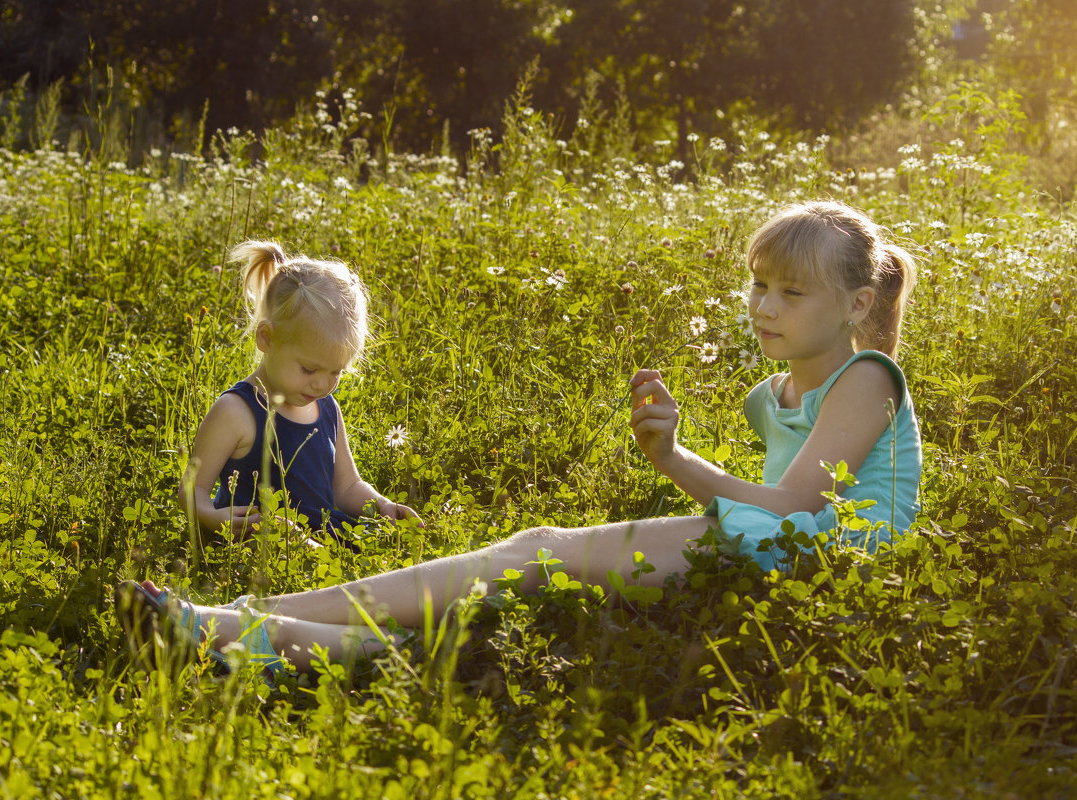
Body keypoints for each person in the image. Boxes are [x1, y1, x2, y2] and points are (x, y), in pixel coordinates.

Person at [117, 201, 921, 675]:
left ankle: (240, 616)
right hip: (783, 548)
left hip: (817, 562)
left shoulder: (868, 377)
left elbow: (794, 506)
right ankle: (239, 631)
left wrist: (674, 460)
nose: (764, 307)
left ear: (855, 307)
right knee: (505, 581)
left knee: (533, 550)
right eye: (758, 284)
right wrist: (675, 460)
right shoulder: (778, 390)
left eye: (791, 292)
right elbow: (780, 508)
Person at [179, 240, 420, 546]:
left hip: (322, 543)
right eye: (309, 370)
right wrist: (215, 517)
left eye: (336, 372)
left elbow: (346, 488)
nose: (322, 385)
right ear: (267, 338)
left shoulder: (326, 407)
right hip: (255, 545)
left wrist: (381, 506)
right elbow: (193, 490)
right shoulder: (236, 411)